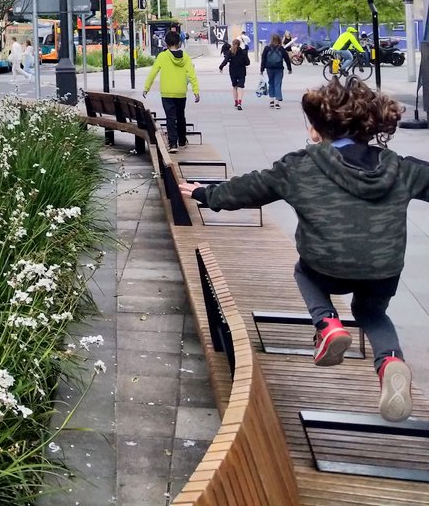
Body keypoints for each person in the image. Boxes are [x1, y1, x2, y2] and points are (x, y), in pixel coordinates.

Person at [179, 78, 429, 422]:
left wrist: (205, 194)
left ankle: (327, 324)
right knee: (372, 312)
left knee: (303, 272)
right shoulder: (400, 168)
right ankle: (389, 361)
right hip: (383, 268)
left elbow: (250, 189)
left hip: (324, 264)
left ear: (316, 130)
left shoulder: (299, 166)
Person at [143, 29, 199, 151]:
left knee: (170, 117)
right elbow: (192, 75)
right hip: (181, 92)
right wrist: (196, 91)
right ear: (179, 42)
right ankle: (182, 141)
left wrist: (146, 88)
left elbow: (153, 73)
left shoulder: (162, 56)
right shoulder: (186, 57)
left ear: (166, 43)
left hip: (167, 92)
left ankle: (173, 144)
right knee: (180, 116)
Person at [260, 33, 291, 109]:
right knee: (277, 84)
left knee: (271, 83)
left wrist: (262, 69)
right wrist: (289, 68)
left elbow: (263, 59)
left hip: (269, 68)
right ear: (279, 40)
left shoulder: (267, 48)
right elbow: (287, 59)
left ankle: (271, 101)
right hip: (279, 68)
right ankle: (277, 102)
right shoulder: (281, 48)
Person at [219, 37, 250, 110]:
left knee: (234, 86)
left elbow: (226, 60)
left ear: (233, 44)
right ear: (239, 45)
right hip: (241, 71)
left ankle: (236, 102)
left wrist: (221, 67)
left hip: (233, 71)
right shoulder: (243, 52)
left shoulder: (230, 52)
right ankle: (239, 102)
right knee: (240, 87)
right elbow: (248, 63)